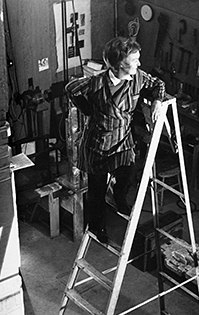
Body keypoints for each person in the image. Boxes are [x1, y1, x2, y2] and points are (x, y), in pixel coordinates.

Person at [66, 36, 166, 243]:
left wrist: (157, 100)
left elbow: (158, 84)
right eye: (135, 59)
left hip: (123, 140)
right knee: (97, 190)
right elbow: (71, 89)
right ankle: (97, 227)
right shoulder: (96, 83)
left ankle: (119, 198)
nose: (139, 63)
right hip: (98, 144)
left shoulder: (138, 77)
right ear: (121, 64)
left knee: (128, 173)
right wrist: (87, 110)